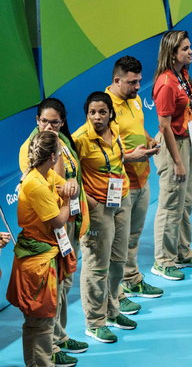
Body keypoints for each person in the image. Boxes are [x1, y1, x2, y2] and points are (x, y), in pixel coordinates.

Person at [18, 98, 90, 362]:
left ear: (62, 122)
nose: (49, 126)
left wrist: (70, 186)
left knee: (63, 285)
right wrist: (69, 196)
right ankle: (51, 349)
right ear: (37, 120)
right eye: (45, 121)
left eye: (55, 122)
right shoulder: (34, 151)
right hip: (46, 239)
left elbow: (65, 181)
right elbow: (56, 198)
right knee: (46, 301)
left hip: (63, 231)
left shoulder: (63, 143)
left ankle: (58, 337)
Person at [7, 131, 77, 366]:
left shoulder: (45, 175)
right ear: (54, 156)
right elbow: (58, 220)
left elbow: (68, 184)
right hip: (36, 264)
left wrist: (70, 186)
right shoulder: (35, 184)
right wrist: (67, 201)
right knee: (39, 322)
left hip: (47, 255)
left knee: (44, 320)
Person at [73, 92, 136, 343]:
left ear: (110, 113)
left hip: (122, 198)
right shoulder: (79, 139)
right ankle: (94, 322)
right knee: (96, 266)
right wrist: (91, 203)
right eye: (92, 112)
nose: (97, 117)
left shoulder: (116, 128)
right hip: (98, 208)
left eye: (102, 112)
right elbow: (70, 176)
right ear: (87, 114)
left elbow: (118, 161)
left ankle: (112, 311)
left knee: (119, 261)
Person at [106, 56, 163, 314]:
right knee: (116, 243)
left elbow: (137, 130)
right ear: (117, 80)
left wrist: (149, 141)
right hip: (120, 185)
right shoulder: (104, 109)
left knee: (133, 237)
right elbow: (102, 154)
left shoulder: (135, 100)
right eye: (132, 82)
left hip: (142, 179)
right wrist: (131, 156)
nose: (138, 86)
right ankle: (115, 295)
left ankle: (131, 280)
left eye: (139, 81)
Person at [152, 30, 192, 281]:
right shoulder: (165, 83)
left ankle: (183, 251)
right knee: (170, 204)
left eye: (189, 47)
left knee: (185, 201)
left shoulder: (182, 74)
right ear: (173, 53)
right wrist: (177, 162)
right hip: (173, 145)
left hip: (189, 140)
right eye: (185, 49)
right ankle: (163, 260)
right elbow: (164, 127)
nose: (190, 51)